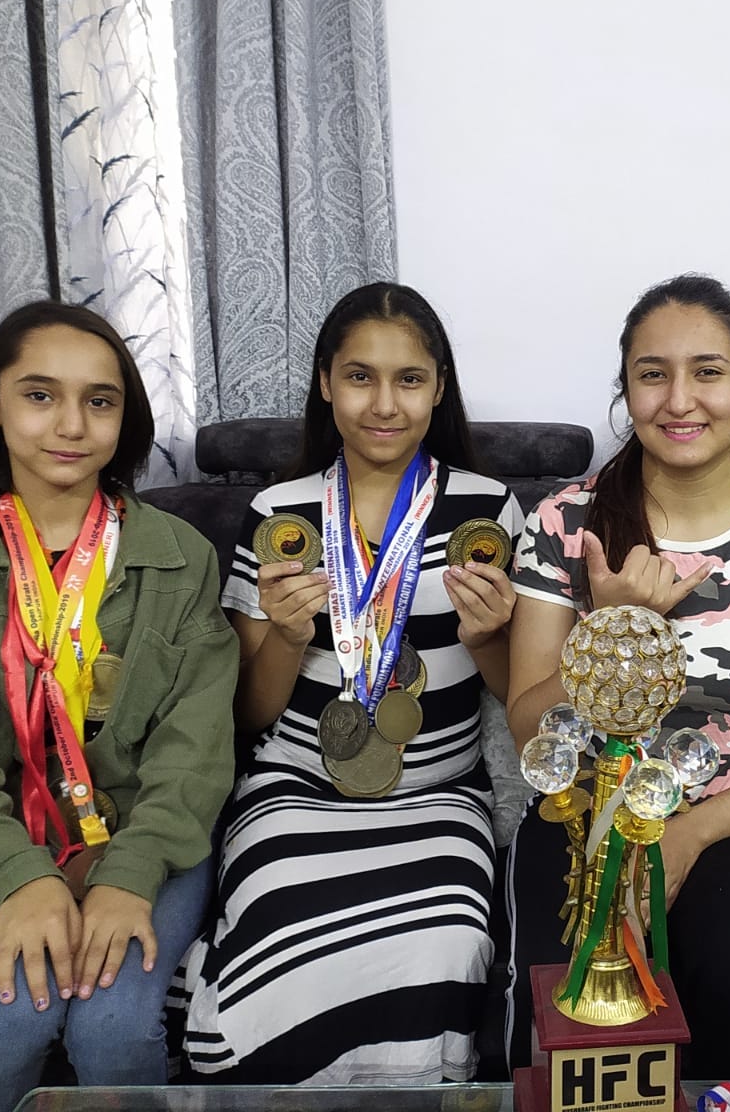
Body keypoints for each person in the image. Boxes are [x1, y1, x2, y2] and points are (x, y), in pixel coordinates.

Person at [0, 302, 238, 1112]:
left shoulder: (182, 561)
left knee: (112, 1024)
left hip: (149, 838)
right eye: (41, 396)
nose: (72, 424)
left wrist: (130, 875)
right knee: (8, 1020)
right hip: (14, 838)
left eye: (100, 401)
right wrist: (17, 879)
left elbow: (194, 746)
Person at [504, 274, 730, 1078]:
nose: (680, 399)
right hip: (580, 815)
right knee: (556, 1018)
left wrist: (692, 834)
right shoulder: (567, 523)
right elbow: (528, 724)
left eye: (708, 371)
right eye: (652, 373)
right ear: (626, 388)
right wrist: (615, 632)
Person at [170, 282, 522, 1083]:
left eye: (409, 379)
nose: (384, 404)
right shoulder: (279, 511)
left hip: (439, 793)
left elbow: (509, 689)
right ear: (326, 383)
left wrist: (491, 637)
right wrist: (288, 638)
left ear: (439, 388)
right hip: (295, 787)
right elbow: (249, 713)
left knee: (451, 934)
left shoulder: (488, 509)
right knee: (274, 912)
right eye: (359, 377)